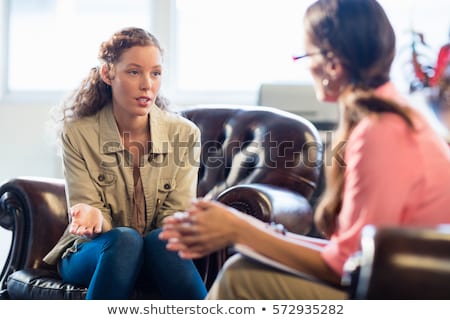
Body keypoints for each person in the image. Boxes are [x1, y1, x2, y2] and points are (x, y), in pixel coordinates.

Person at [160, 0, 450, 299]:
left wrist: (239, 230)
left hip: (403, 294)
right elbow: (351, 252)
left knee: (241, 276)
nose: (306, 66)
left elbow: (347, 267)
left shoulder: (381, 131)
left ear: (333, 64)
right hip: (398, 280)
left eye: (306, 54)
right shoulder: (395, 116)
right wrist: (260, 235)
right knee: (246, 265)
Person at [43, 27, 207, 300]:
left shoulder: (185, 133)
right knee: (126, 241)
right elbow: (86, 204)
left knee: (160, 242)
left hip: (158, 254)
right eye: (134, 72)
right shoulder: (78, 133)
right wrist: (94, 218)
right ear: (108, 73)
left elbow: (176, 214)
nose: (147, 85)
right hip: (94, 251)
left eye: (155, 73)